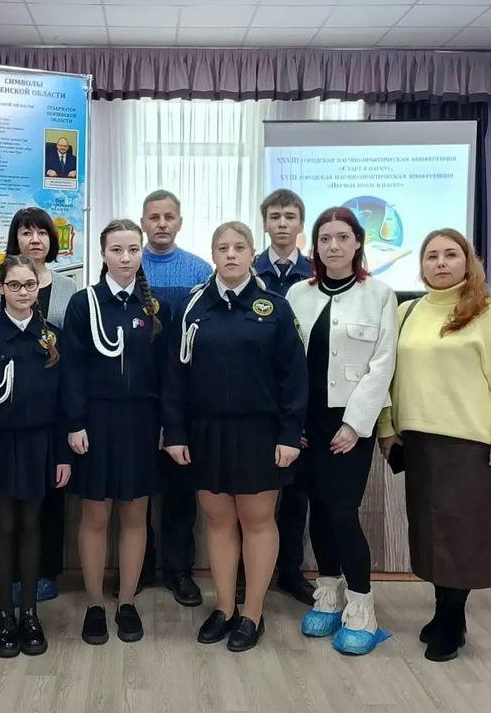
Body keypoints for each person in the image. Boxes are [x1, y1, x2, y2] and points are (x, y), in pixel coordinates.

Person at [378, 228, 491, 663]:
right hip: (419, 442)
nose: (440, 263)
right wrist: (387, 427)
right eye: (432, 256)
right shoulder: (406, 312)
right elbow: (388, 375)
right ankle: (446, 613)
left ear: (467, 262)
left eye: (450, 254)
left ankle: (450, 620)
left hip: (469, 445)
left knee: (462, 535)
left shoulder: (487, 313)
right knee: (430, 533)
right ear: (421, 266)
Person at [163, 221, 307, 652]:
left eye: (239, 247)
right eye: (222, 247)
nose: (230, 254)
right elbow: (174, 377)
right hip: (205, 431)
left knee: (258, 521)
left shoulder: (274, 308)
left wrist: (290, 433)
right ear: (213, 254)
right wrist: (175, 432)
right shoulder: (191, 307)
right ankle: (225, 608)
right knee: (219, 521)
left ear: (251, 254)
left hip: (260, 432)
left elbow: (294, 378)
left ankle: (253, 613)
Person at [286, 207, 397, 655]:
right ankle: (328, 593)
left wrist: (355, 424)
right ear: (315, 246)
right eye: (325, 239)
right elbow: (286, 362)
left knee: (342, 512)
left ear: (357, 242)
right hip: (307, 423)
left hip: (350, 423)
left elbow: (382, 365)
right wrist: (292, 423)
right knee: (316, 509)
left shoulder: (380, 295)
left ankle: (362, 605)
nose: (333, 246)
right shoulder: (298, 294)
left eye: (342, 238)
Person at [62, 219, 167, 645]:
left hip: (142, 423)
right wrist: (75, 422)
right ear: (103, 254)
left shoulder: (154, 307)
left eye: (133, 250)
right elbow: (71, 369)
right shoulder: (83, 303)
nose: (126, 258)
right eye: (117, 250)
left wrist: (166, 426)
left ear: (142, 253)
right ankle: (93, 603)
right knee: (95, 515)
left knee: (135, 515)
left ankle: (126, 602)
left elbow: (165, 375)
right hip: (95, 422)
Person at [0, 255, 71, 659]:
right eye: (14, 285)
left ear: (38, 288)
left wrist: (62, 455)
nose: (23, 292)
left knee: (32, 526)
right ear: (0, 288)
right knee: (4, 526)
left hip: (39, 446)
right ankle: (4, 616)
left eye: (29, 285)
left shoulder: (52, 337)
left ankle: (30, 613)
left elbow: (63, 404)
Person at [0, 207, 76, 603]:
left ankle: (43, 575)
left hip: (46, 410)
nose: (34, 239)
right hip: (4, 412)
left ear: (52, 240)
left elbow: (70, 347)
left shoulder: (68, 287)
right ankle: (4, 582)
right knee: (3, 512)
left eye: (42, 232)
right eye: (26, 232)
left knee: (45, 504)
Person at [139, 189, 212, 607]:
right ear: (143, 223)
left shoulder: (200, 270)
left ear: (180, 223)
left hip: (185, 396)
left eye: (169, 217)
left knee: (181, 490)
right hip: (138, 396)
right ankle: (141, 566)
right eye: (154, 217)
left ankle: (179, 570)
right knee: (138, 490)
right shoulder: (128, 264)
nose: (162, 224)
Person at [253, 189, 316, 606]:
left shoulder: (315, 275)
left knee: (295, 497)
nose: (281, 223)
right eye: (274, 216)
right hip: (256, 406)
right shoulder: (248, 271)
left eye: (289, 216)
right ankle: (248, 573)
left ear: (300, 224)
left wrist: (299, 422)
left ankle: (290, 572)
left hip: (299, 404)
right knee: (251, 497)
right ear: (265, 222)